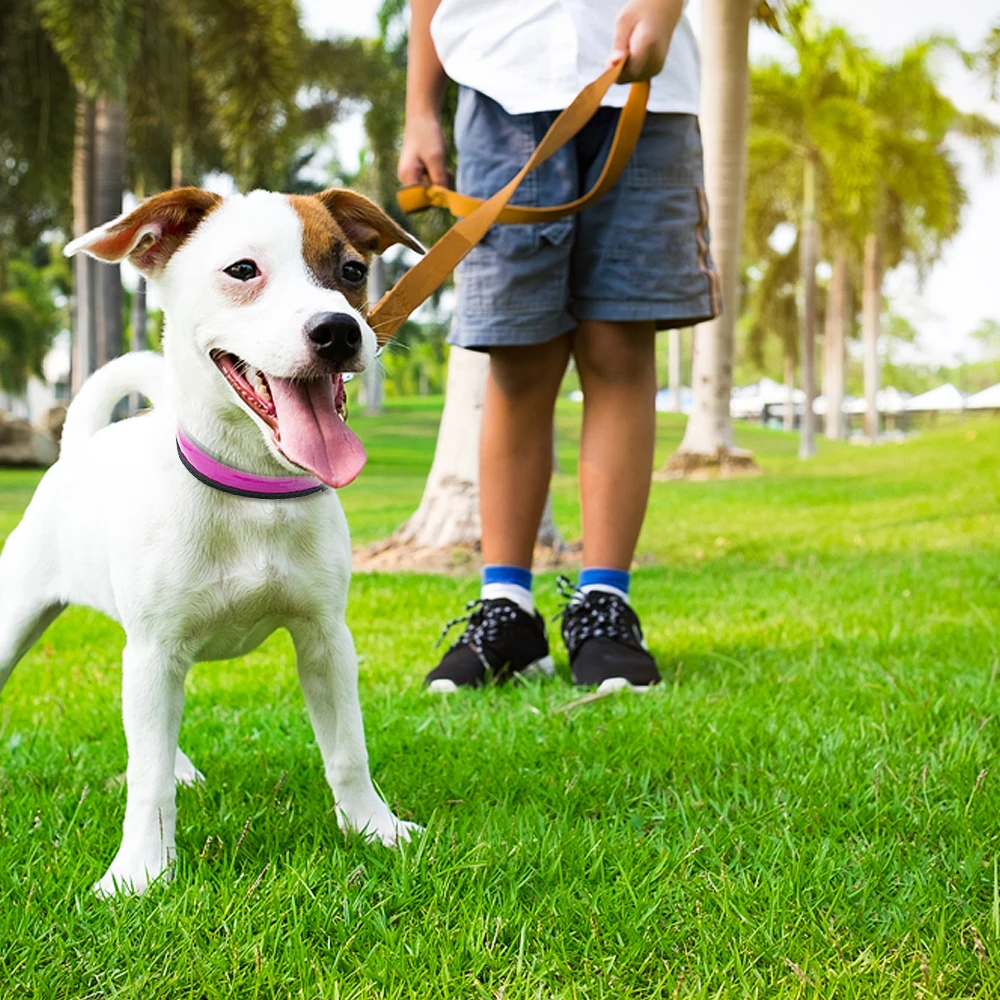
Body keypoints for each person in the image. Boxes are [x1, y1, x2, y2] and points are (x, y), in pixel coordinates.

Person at [399, 0, 718, 692]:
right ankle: (506, 607)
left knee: (617, 346)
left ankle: (605, 605)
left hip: (645, 91)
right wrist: (420, 107)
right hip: (497, 81)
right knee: (519, 357)